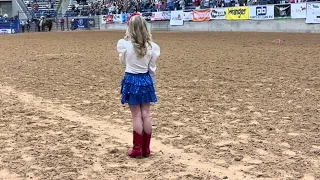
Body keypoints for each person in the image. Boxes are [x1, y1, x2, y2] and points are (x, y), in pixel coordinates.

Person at [117, 15, 160, 158]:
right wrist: (151, 83)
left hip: (131, 79)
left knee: (136, 115)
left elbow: (123, 62)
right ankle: (146, 149)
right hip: (146, 80)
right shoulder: (152, 47)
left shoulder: (124, 44)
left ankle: (137, 149)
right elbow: (152, 68)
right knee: (146, 114)